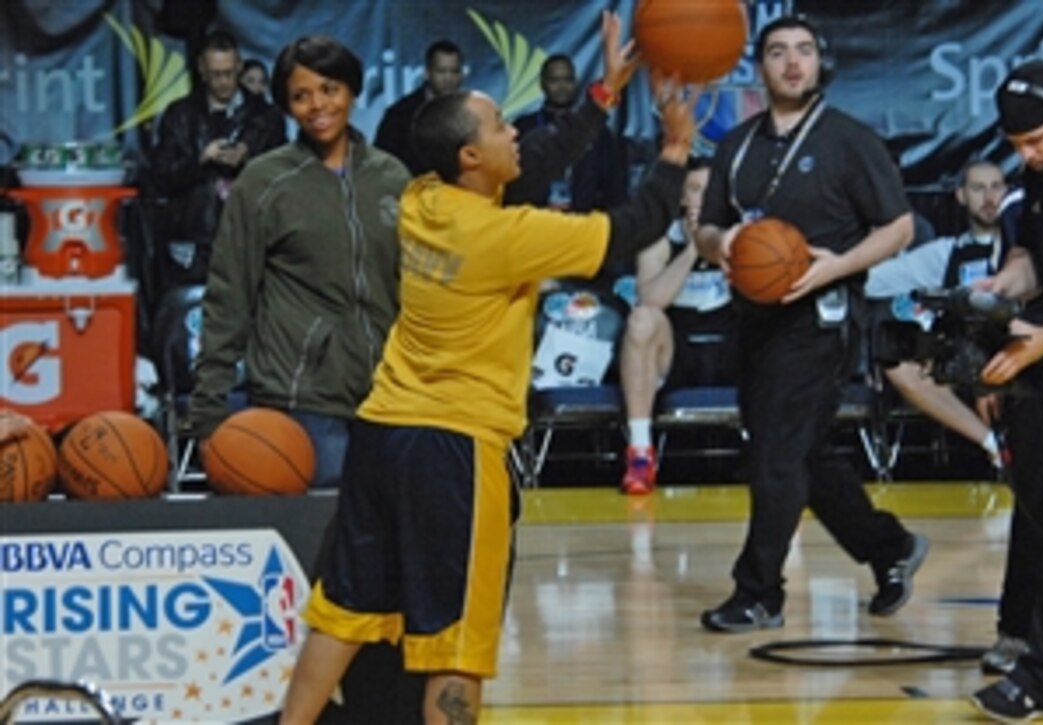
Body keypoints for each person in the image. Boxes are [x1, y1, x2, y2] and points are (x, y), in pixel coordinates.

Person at [278, 13, 697, 724]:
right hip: (456, 449)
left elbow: (533, 161)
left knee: (343, 609)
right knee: (459, 638)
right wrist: (678, 145)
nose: (515, 134)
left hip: (381, 434)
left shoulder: (421, 199)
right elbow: (634, 225)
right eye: (501, 125)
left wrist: (601, 96)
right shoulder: (507, 236)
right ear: (471, 157)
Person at [694, 16, 927, 633]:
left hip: (820, 319)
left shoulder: (848, 139)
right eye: (778, 52)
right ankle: (889, 547)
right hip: (755, 317)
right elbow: (706, 227)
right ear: (759, 67)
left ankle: (759, 592)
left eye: (804, 51)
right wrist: (726, 242)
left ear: (820, 63)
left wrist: (835, 269)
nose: (793, 62)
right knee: (802, 455)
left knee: (775, 457)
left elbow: (899, 227)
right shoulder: (736, 144)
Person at [188, 36, 411, 491]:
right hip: (302, 400)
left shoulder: (392, 178)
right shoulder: (265, 183)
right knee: (318, 550)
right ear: (286, 107)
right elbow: (229, 297)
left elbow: (416, 290)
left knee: (383, 549)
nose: (317, 106)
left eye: (329, 89)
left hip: (389, 398)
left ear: (351, 90)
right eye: (301, 96)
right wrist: (209, 415)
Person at [969, 60, 1043, 722]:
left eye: (1036, 140)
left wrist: (1039, 342)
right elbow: (1035, 263)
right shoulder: (1041, 178)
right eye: (1015, 145)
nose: (1026, 154)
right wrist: (1000, 290)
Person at [865, 159, 1012, 470]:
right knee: (898, 359)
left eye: (996, 187)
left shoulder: (1027, 246)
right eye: (978, 188)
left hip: (1020, 352)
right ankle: (992, 446)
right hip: (966, 362)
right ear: (960, 196)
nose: (988, 197)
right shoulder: (943, 253)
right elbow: (871, 281)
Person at [619, 157, 737, 494]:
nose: (702, 199)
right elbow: (650, 299)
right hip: (678, 351)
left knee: (781, 326)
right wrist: (693, 249)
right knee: (642, 320)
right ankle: (640, 455)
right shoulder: (660, 237)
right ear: (683, 198)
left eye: (710, 191)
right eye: (695, 190)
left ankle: (784, 459)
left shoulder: (748, 235)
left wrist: (723, 248)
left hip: (733, 346)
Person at [149, 30, 285, 289]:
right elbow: (160, 176)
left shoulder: (265, 117)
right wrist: (200, 159)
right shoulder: (180, 116)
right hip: (195, 239)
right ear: (202, 70)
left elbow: (285, 177)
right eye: (215, 74)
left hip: (250, 240)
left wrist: (249, 158)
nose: (223, 82)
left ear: (239, 67)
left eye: (229, 73)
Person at [513, 54, 628, 212]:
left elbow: (614, 185)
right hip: (534, 222)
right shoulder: (524, 127)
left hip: (584, 223)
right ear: (542, 84)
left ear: (576, 83)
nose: (562, 86)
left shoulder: (597, 130)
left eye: (568, 80)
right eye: (554, 80)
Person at [374, 39, 463, 175]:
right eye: (441, 71)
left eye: (454, 71)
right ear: (427, 73)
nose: (448, 78)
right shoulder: (400, 115)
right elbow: (383, 166)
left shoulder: (469, 113)